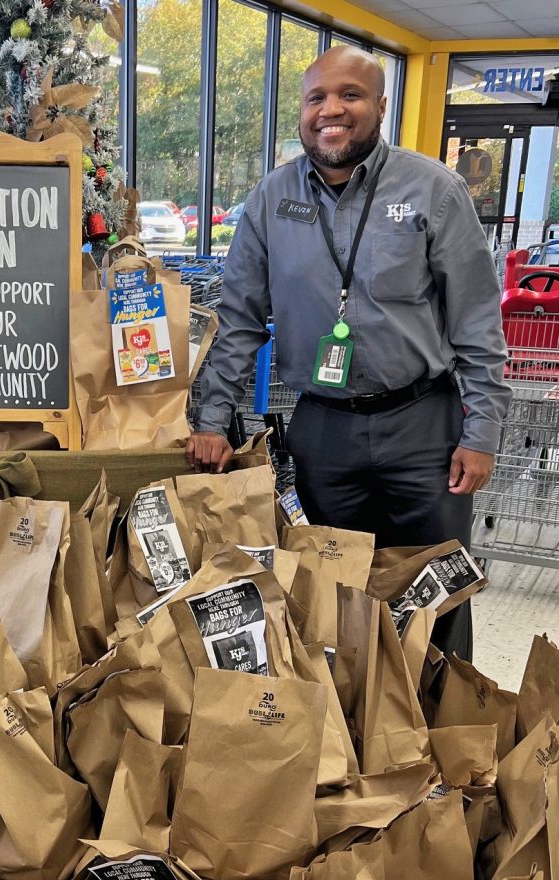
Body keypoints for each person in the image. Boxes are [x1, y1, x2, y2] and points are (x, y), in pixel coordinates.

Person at [186, 46, 510, 660]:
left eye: (350, 95)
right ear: (302, 111)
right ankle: (358, 714)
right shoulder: (271, 200)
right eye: (317, 98)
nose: (330, 110)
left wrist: (483, 432)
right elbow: (240, 320)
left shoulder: (434, 192)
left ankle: (442, 712)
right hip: (323, 428)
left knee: (436, 592)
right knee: (335, 593)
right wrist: (211, 420)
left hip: (424, 427)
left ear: (381, 106)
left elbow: (477, 324)